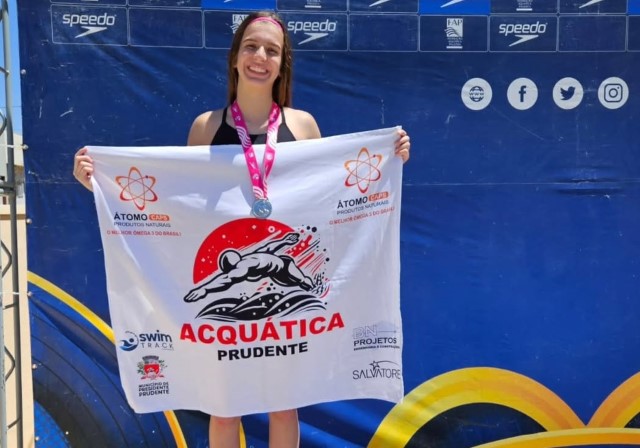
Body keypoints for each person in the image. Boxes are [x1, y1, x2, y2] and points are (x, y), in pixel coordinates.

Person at [73, 10, 410, 448]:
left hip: (284, 309)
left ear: (282, 64)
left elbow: (328, 196)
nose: (260, 57)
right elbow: (178, 204)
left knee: (285, 405)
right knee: (224, 408)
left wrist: (389, 159)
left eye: (272, 50)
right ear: (235, 57)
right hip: (230, 317)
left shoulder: (302, 125)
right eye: (251, 46)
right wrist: (102, 184)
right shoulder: (207, 127)